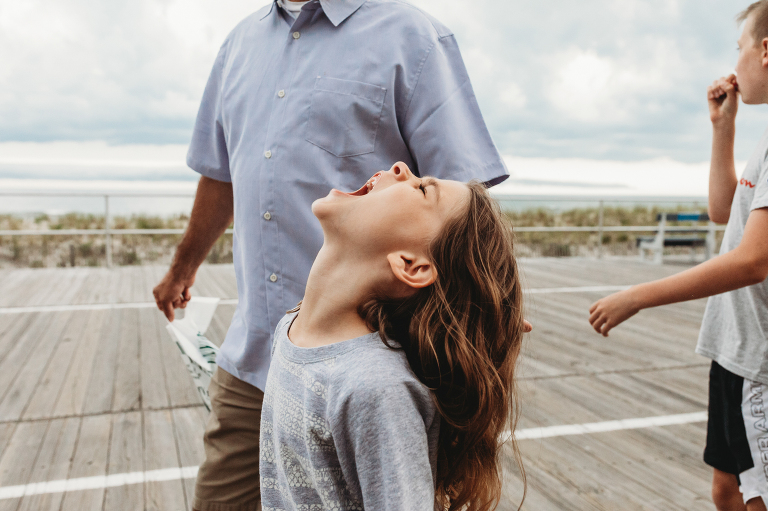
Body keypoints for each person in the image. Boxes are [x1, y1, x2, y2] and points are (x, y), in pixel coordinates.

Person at [151, 0, 510, 509]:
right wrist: (182, 267)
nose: (400, 171)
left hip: (362, 369)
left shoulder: (414, 38)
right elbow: (221, 171)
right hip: (256, 350)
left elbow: (464, 208)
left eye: (412, 178)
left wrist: (492, 308)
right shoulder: (237, 45)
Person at [260, 162, 526, 511]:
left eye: (422, 189)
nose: (400, 166)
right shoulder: (292, 328)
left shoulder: (376, 387)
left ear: (412, 265)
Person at [587, 3, 768, 509]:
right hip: (735, 348)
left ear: (767, 51)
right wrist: (722, 127)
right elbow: (721, 211)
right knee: (727, 490)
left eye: (741, 49)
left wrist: (636, 296)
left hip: (760, 361)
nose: (737, 63)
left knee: (757, 498)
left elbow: (754, 260)